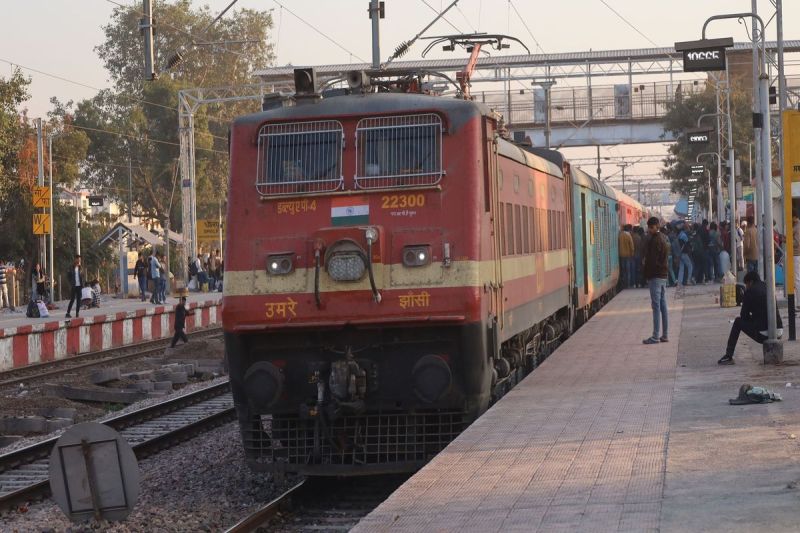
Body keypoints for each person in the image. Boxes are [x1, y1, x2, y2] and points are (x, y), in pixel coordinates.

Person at [718, 271, 783, 364]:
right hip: (779, 331)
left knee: (737, 322)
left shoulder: (750, 291)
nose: (746, 286)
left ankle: (728, 356)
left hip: (763, 334)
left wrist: (753, 317)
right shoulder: (768, 287)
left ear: (750, 282)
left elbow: (743, 315)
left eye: (746, 284)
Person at [643, 217, 669, 344]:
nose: (649, 230)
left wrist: (647, 274)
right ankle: (665, 335)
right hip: (663, 276)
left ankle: (655, 336)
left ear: (655, 227)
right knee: (663, 306)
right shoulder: (663, 238)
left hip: (655, 277)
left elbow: (652, 261)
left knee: (656, 306)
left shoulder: (654, 240)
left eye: (650, 227)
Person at [794, 211, 800, 310]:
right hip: (796, 254)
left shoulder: (797, 227)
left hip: (796, 254)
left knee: (797, 279)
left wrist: (787, 240)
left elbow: (797, 242)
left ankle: (799, 303)